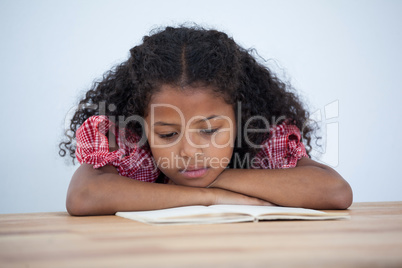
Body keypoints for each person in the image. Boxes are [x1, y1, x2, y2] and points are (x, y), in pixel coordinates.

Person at [59, 25, 353, 216]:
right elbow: (84, 196)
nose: (189, 151)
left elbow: (335, 191)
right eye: (167, 134)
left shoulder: (262, 142)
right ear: (142, 126)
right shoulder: (129, 147)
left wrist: (221, 178)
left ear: (241, 120)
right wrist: (210, 198)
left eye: (210, 130)